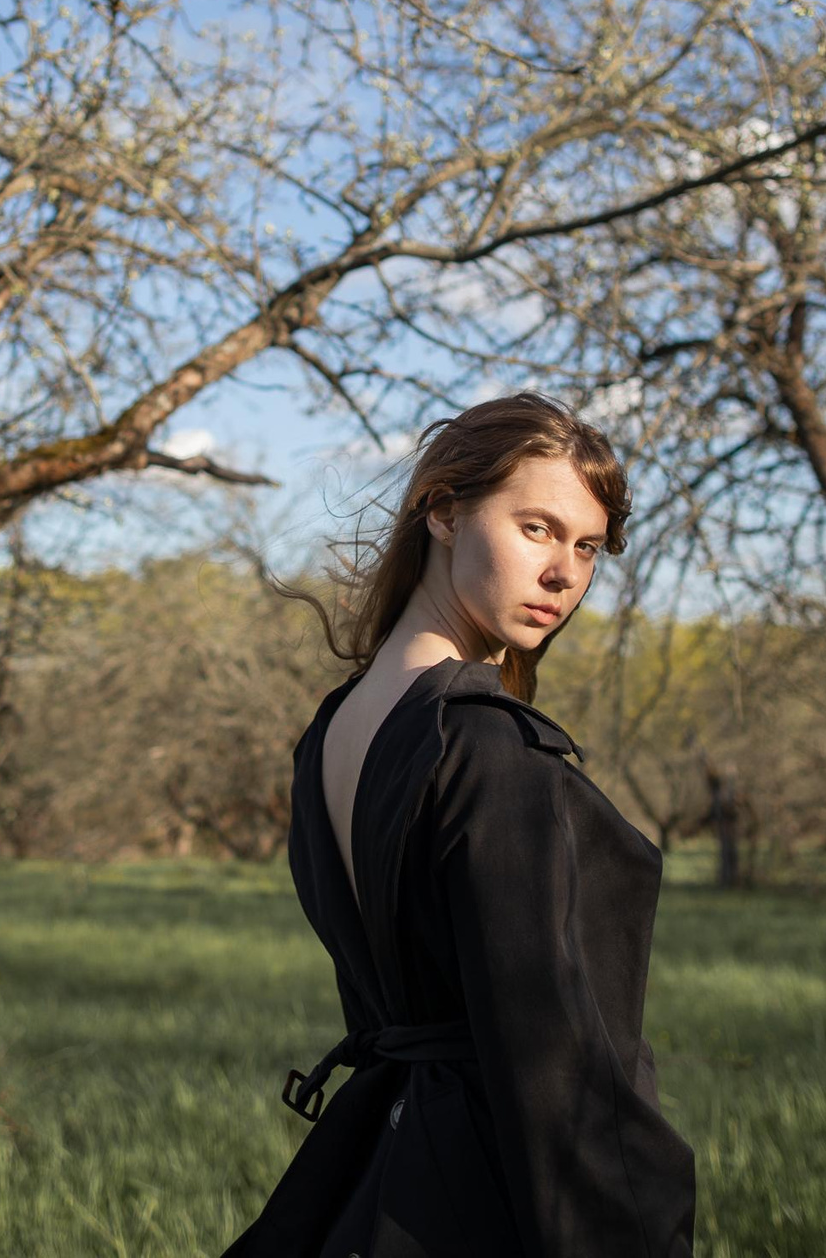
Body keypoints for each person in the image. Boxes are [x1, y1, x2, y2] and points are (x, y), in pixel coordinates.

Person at [218, 392, 696, 1258]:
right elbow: (558, 1071)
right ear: (443, 510)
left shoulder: (333, 730)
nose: (565, 574)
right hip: (480, 1199)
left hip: (377, 1177)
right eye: (537, 529)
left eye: (586, 546)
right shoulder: (487, 747)